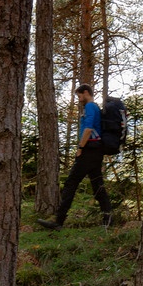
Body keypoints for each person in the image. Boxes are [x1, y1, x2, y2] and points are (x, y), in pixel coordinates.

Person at [38, 83, 113, 229]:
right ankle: (108, 219)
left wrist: (80, 148)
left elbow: (88, 128)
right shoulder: (95, 107)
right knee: (98, 186)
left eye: (79, 96)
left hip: (89, 150)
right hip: (96, 151)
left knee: (71, 183)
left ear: (86, 92)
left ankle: (58, 221)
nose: (78, 99)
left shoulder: (90, 106)